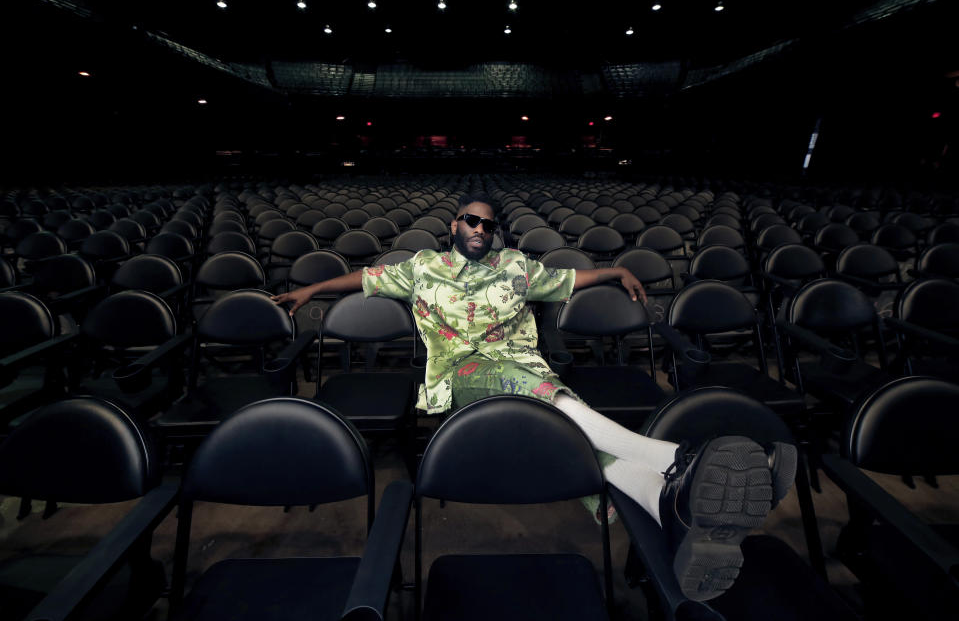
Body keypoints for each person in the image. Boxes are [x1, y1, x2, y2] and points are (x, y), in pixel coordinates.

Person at [273, 195, 796, 601]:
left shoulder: (517, 268)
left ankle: (669, 500)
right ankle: (679, 460)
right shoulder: (421, 268)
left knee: (548, 403)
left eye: (488, 224)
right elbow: (363, 278)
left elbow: (570, 279)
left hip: (527, 370)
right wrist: (310, 291)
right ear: (453, 226)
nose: (481, 229)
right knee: (539, 390)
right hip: (461, 376)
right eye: (471, 221)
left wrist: (615, 270)